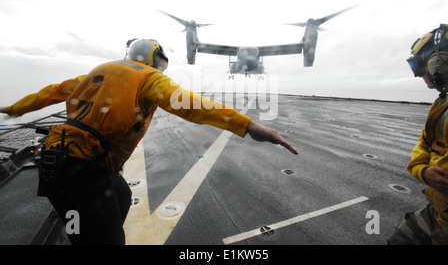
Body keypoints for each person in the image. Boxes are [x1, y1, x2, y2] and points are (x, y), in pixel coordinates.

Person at [0, 38, 298, 245]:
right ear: (157, 60)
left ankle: (85, 231)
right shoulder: (150, 78)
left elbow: (50, 92)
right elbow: (194, 106)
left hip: (59, 161)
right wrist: (249, 125)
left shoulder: (99, 71)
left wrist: (13, 110)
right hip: (83, 173)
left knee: (120, 195)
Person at [388, 24, 448, 244]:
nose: (420, 75)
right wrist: (422, 170)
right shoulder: (440, 105)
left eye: (422, 66)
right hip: (438, 213)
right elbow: (424, 144)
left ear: (438, 63)